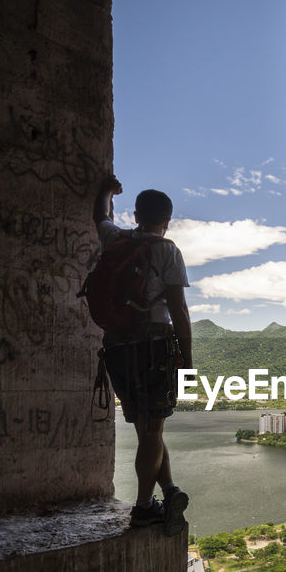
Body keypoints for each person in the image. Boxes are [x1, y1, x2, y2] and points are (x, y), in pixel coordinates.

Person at [93, 175, 193, 535]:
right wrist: (188, 360)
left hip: (117, 349)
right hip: (153, 347)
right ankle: (142, 507)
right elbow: (179, 311)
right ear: (167, 221)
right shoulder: (167, 251)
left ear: (135, 215)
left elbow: (100, 216)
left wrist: (106, 192)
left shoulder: (113, 238)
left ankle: (168, 489)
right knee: (153, 429)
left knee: (146, 427)